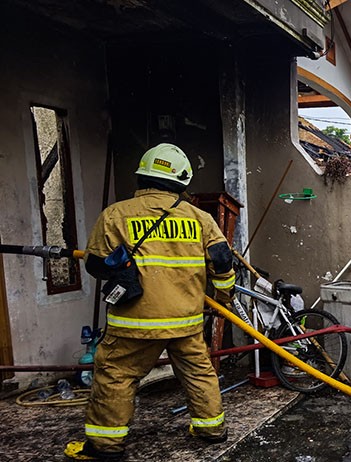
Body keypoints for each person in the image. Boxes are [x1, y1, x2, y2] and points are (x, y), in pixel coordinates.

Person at [65, 144, 235, 461]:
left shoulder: (115, 215)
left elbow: (95, 266)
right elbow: (223, 264)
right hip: (185, 321)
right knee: (199, 373)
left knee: (116, 377)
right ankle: (212, 430)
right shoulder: (200, 219)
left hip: (134, 323)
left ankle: (105, 446)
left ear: (143, 175)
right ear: (183, 181)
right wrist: (221, 299)